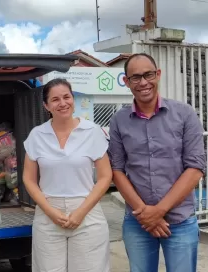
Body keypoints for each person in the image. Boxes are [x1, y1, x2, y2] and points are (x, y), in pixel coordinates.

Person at [108, 53, 205, 272]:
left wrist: (159, 211)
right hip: (137, 222)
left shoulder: (185, 114)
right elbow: (117, 170)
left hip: (180, 221)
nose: (143, 82)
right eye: (135, 77)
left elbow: (196, 168)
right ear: (126, 81)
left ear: (158, 75)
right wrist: (145, 213)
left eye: (148, 75)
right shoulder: (119, 120)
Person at [22, 78, 113, 272]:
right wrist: (50, 211)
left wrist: (80, 212)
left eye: (66, 97)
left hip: (87, 212)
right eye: (55, 99)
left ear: (73, 99)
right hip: (48, 213)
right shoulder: (37, 135)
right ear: (46, 105)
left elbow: (106, 176)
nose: (62, 103)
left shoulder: (92, 131)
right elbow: (28, 179)